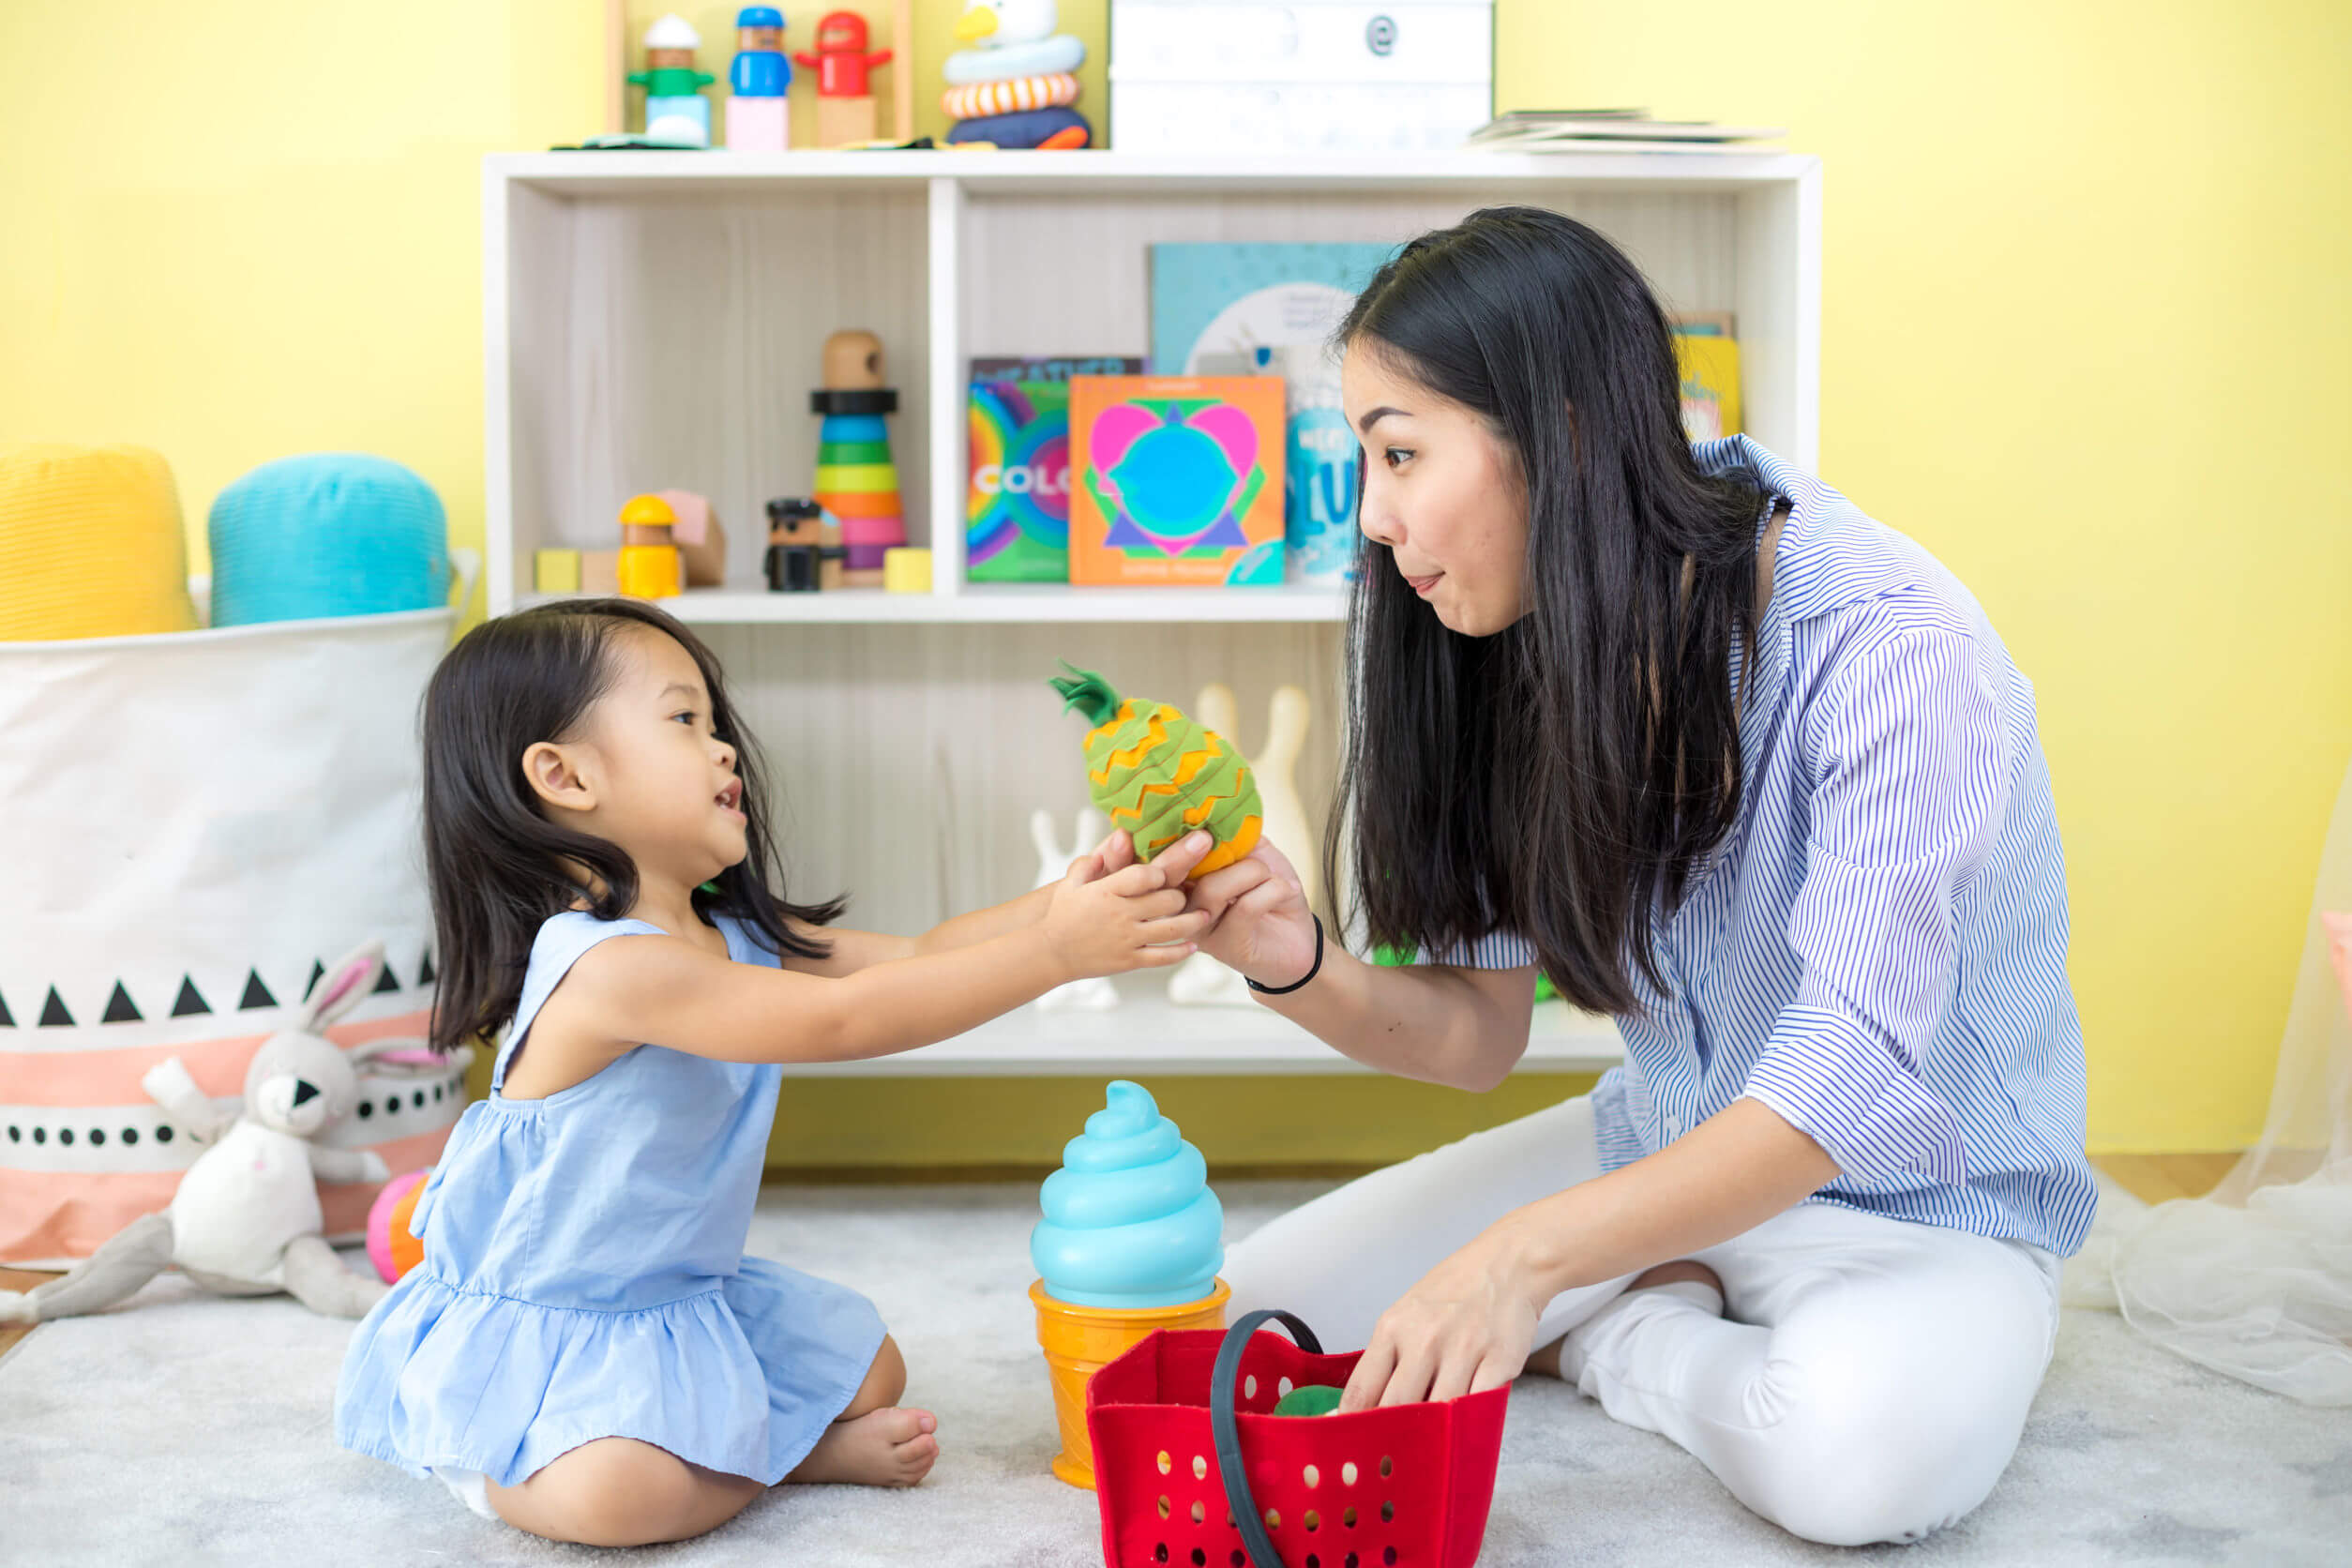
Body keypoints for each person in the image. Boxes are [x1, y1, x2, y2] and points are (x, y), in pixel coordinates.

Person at [1176, 206, 2096, 1547]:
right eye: (1365, 461)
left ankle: (1632, 1336)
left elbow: (1830, 1096)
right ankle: (1640, 1283)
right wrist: (1294, 961)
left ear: (1565, 432)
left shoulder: (1892, 647)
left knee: (1857, 1465)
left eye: (1402, 455)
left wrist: (1529, 1266)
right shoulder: (1495, 628)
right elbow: (1476, 1038)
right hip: (1667, 1148)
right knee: (1245, 1329)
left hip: (1924, 1205)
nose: (1373, 520)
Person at [336, 597, 1214, 1545]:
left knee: (874, 1371)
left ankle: (743, 1447)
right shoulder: (605, 967)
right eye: (684, 720)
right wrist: (1059, 956)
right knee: (619, 1501)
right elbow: (842, 1019)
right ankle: (763, 1460)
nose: (725, 752)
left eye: (717, 727)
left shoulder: (734, 940)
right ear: (563, 774)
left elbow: (916, 955)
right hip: (555, 1323)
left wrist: (1070, 904)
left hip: (673, 1295)